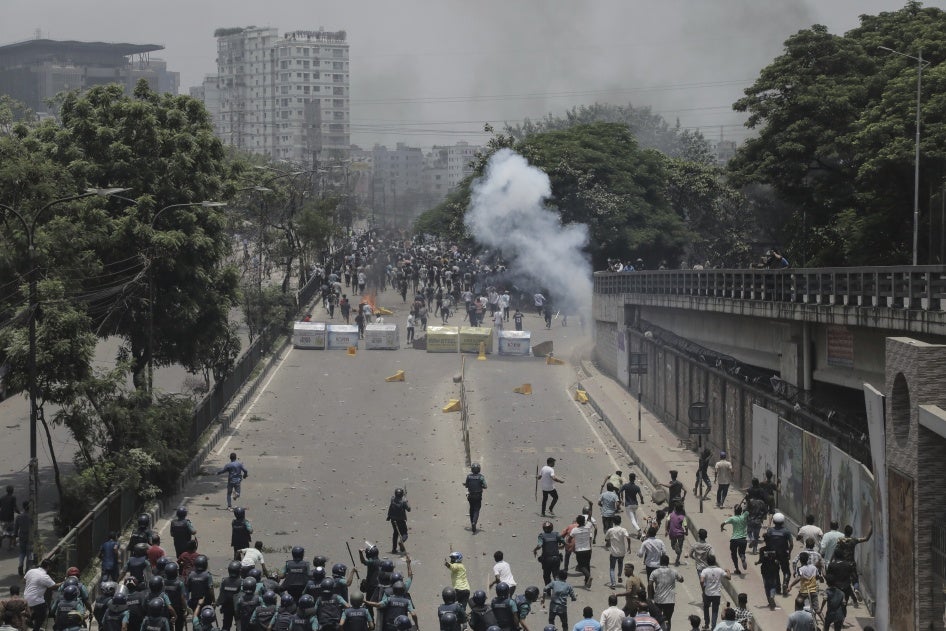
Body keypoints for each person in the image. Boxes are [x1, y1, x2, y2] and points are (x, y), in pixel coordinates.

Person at [648, 555, 683, 631]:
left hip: (658, 600)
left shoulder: (655, 572)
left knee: (657, 619)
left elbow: (650, 584)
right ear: (668, 562)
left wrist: (650, 597)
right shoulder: (673, 571)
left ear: (660, 562)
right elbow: (681, 580)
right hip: (670, 601)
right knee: (668, 619)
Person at [23, 559, 58, 631]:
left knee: (39, 610)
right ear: (48, 567)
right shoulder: (44, 576)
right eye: (51, 567)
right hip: (36, 599)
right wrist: (64, 582)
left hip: (26, 597)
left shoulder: (31, 571)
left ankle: (29, 619)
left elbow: (24, 580)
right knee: (43, 614)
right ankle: (35, 628)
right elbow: (54, 586)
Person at [699, 555, 729, 631]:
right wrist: (728, 570)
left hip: (707, 593)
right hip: (716, 594)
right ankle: (713, 627)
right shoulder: (719, 570)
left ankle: (706, 624)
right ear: (715, 561)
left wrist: (703, 588)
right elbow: (729, 577)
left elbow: (702, 581)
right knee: (715, 611)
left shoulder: (705, 570)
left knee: (706, 607)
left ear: (707, 562)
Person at [604, 515, 631, 589]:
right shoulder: (623, 530)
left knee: (612, 568)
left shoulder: (610, 530)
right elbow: (628, 538)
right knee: (620, 563)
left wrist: (608, 542)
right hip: (622, 551)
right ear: (620, 521)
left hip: (613, 552)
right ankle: (619, 576)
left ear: (613, 522)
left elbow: (606, 539)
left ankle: (613, 583)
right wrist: (629, 547)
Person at [534, 521, 564, 586]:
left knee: (547, 576)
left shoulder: (542, 535)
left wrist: (535, 550)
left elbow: (539, 545)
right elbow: (564, 541)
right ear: (552, 528)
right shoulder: (556, 534)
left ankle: (548, 592)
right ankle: (558, 590)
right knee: (556, 576)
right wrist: (561, 546)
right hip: (556, 559)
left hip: (546, 560)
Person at [567, 515, 593, 588]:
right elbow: (590, 519)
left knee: (581, 566)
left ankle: (589, 576)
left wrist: (569, 543)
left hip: (579, 550)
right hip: (588, 550)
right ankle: (587, 582)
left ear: (577, 522)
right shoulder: (588, 528)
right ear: (584, 521)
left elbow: (569, 539)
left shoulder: (575, 530)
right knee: (587, 565)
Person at [721, 505, 748, 575]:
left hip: (734, 540)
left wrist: (722, 528)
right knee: (742, 552)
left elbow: (722, 524)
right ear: (741, 511)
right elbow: (748, 509)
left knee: (734, 554)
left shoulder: (732, 518)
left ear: (734, 511)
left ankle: (737, 569)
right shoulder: (744, 516)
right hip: (743, 539)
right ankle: (742, 557)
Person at [464, 463, 487, 533]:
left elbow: (466, 485)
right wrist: (481, 486)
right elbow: (485, 486)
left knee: (471, 509)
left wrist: (466, 485)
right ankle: (474, 522)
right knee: (477, 510)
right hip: (478, 496)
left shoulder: (468, 476)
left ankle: (472, 523)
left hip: (470, 496)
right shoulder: (481, 477)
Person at [386, 488, 410, 554]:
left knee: (395, 533)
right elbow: (409, 509)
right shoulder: (403, 502)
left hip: (393, 520)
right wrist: (406, 501)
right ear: (402, 495)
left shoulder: (392, 499)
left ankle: (394, 549)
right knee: (405, 534)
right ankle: (401, 541)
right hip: (401, 520)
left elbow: (391, 506)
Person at [13, 502, 31, 575]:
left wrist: (14, 537)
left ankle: (20, 566)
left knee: (22, 553)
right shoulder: (31, 516)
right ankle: (28, 569)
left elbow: (16, 528)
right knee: (30, 553)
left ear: (23, 507)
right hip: (30, 537)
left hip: (22, 536)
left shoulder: (19, 517)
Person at [0, 486, 18, 551]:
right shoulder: (13, 498)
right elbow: (15, 507)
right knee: (11, 532)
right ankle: (10, 546)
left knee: (3, 531)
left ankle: (0, 540)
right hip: (10, 518)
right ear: (12, 491)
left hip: (2, 517)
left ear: (6, 491)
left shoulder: (2, 497)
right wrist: (19, 513)